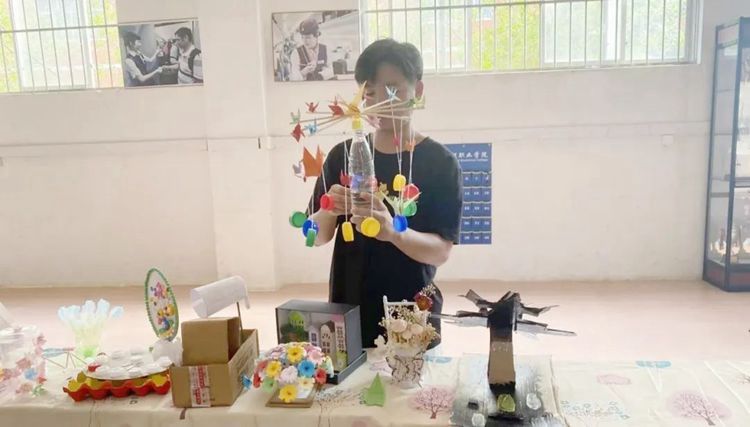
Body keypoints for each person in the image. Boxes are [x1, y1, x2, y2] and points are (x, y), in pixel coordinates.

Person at [307, 39, 463, 349]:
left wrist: (393, 232)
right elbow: (313, 236)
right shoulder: (343, 156)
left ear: (418, 91)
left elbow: (441, 252)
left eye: (392, 90)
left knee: (410, 382)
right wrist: (329, 210)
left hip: (412, 314)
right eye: (369, 93)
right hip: (348, 313)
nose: (379, 102)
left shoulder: (440, 163)